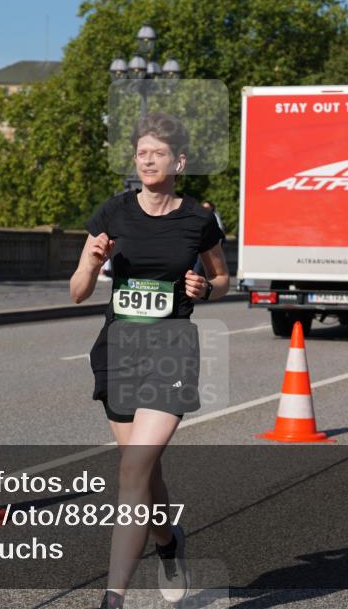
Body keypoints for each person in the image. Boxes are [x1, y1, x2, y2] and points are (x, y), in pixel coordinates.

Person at [69, 112, 230, 609]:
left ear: (179, 162)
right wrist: (92, 264)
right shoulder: (113, 213)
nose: (147, 160)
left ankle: (112, 598)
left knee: (133, 468)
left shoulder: (198, 220)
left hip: (171, 351)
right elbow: (77, 292)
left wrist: (206, 288)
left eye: (157, 153)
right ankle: (167, 542)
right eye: (141, 153)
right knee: (144, 473)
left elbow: (223, 278)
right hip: (119, 351)